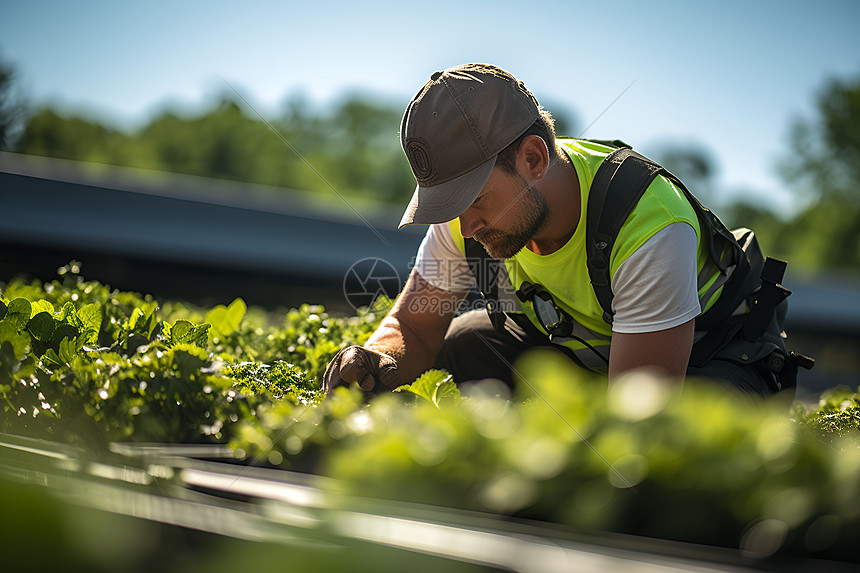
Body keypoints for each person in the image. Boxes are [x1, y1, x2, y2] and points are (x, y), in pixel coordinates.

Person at [323, 63, 799, 398]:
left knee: (670, 458)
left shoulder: (648, 222)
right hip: (591, 358)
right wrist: (373, 361)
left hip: (704, 360)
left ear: (532, 159)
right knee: (463, 343)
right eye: (449, 205)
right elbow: (412, 326)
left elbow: (639, 408)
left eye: (473, 200)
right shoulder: (466, 215)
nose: (466, 226)